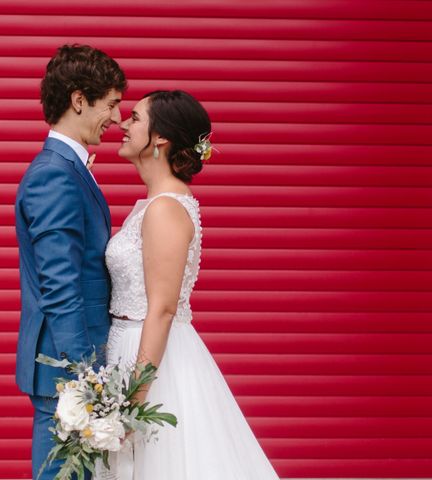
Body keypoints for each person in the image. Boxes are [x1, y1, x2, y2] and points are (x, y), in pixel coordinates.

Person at [95, 90, 280, 479]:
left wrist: (134, 402)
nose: (123, 125)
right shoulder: (154, 203)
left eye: (135, 118)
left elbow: (161, 309)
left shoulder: (165, 209)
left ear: (160, 138)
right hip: (128, 346)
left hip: (150, 359)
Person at [14, 44, 126, 480]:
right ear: (79, 99)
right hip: (68, 373)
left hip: (73, 370)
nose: (118, 118)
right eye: (112, 104)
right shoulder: (55, 175)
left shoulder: (66, 168)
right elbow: (60, 285)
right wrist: (89, 379)